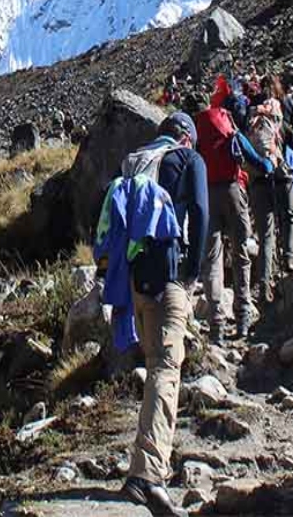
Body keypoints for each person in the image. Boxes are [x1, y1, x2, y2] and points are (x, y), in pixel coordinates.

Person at [99, 113, 208, 517]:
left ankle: (141, 467)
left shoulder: (134, 162)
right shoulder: (187, 159)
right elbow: (199, 211)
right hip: (169, 278)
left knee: (153, 364)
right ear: (185, 137)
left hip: (132, 280)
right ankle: (148, 476)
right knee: (166, 369)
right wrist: (192, 270)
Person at [197, 78, 274, 342]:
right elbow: (251, 155)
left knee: (212, 259)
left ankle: (216, 324)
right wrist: (267, 165)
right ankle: (242, 317)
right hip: (233, 190)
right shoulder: (226, 122)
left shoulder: (195, 130)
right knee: (241, 254)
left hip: (206, 194)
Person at [246, 76, 293, 303]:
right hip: (280, 173)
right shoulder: (280, 109)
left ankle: (264, 283)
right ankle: (288, 257)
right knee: (289, 214)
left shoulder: (251, 115)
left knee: (265, 234)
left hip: (258, 177)